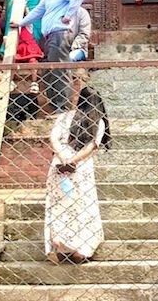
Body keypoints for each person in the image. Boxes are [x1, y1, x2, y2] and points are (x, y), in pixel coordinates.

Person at [44, 85, 111, 264]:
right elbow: (92, 146)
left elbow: (53, 138)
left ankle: (58, 241)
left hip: (59, 165)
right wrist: (74, 160)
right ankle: (80, 248)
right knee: (82, 205)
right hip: (81, 168)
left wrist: (63, 157)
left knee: (58, 204)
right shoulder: (98, 122)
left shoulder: (64, 116)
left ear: (79, 99)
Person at [11, 0, 83, 114]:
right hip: (51, 36)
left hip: (60, 34)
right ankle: (56, 106)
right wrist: (21, 23)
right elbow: (38, 11)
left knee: (59, 71)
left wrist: (68, 16)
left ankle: (62, 109)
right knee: (50, 72)